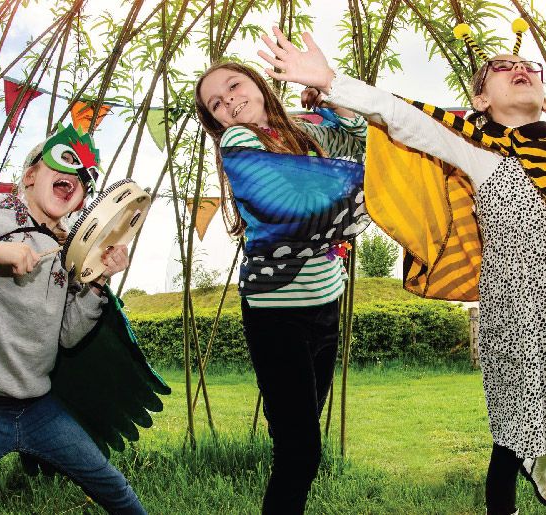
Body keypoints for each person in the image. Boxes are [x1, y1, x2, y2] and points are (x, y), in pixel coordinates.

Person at [255, 22, 546, 515]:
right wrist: (332, 82)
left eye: (527, 68)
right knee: (514, 426)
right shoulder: (482, 156)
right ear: (481, 102)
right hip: (512, 315)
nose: (519, 69)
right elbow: (404, 118)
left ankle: (541, 466)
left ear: (545, 99)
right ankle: (505, 500)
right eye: (502, 68)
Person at [0, 123, 146, 515]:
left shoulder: (73, 248)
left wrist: (98, 280)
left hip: (38, 408)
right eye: (64, 164)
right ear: (31, 174)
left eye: (84, 179)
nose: (74, 177)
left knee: (115, 489)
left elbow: (70, 336)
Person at [194, 61, 369, 514]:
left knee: (298, 433)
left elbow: (363, 141)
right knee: (301, 452)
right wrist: (360, 194)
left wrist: (327, 99)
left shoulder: (305, 127)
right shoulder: (239, 141)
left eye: (234, 85)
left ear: (256, 82)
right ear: (217, 121)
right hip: (276, 313)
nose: (229, 99)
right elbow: (289, 201)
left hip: (326, 302)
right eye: (217, 102)